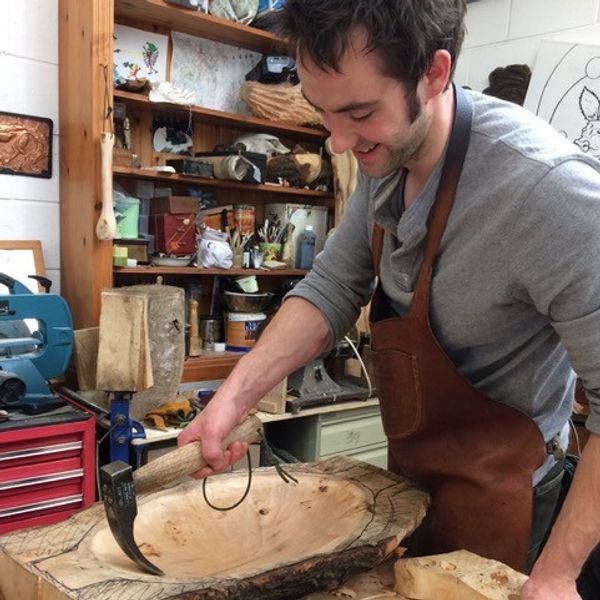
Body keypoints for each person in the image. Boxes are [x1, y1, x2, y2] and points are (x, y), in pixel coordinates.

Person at [178, 1, 600, 598]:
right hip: (412, 485)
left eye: (359, 113)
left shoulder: (549, 194)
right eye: (324, 112)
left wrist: (557, 575)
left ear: (433, 73)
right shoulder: (387, 156)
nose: (340, 142)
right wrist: (232, 398)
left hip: (508, 499)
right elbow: (329, 290)